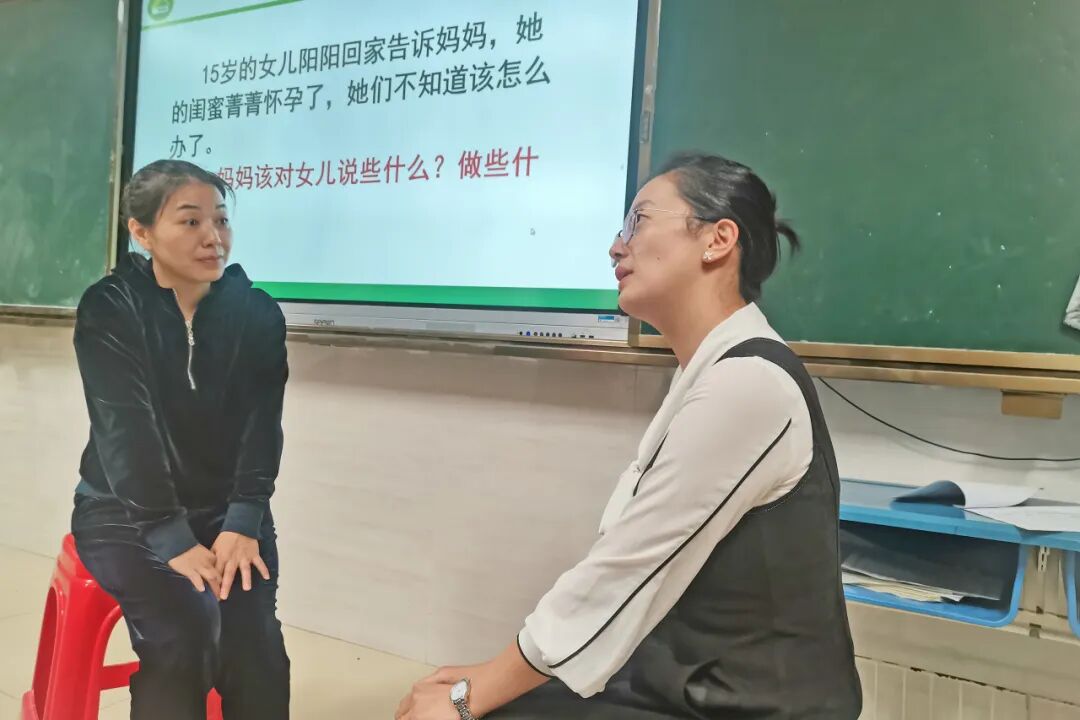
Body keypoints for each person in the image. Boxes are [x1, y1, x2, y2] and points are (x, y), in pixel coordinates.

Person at [396, 153, 862, 720]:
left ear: (717, 240)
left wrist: (472, 697)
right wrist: (485, 681)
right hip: (688, 681)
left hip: (750, 706)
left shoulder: (748, 384)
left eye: (637, 222)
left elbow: (624, 571)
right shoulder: (711, 370)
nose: (616, 248)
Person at [71, 159, 290, 720]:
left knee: (255, 646)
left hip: (226, 511)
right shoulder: (111, 307)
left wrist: (244, 518)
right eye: (191, 222)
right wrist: (170, 536)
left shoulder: (256, 312)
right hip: (123, 512)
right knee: (186, 630)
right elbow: (126, 430)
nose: (213, 237)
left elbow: (262, 424)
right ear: (141, 233)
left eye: (221, 220)